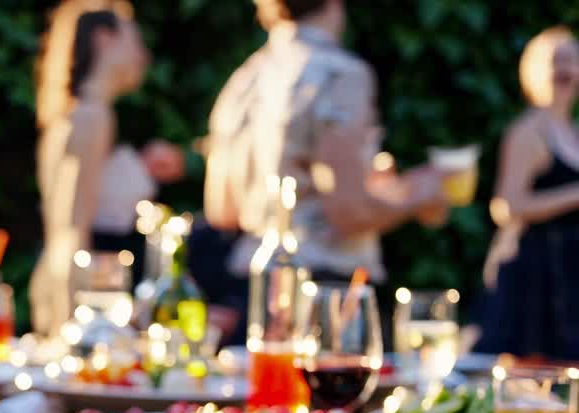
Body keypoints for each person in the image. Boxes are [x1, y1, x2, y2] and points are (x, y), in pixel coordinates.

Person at [204, 0, 448, 289]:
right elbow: (349, 212)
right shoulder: (339, 74)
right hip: (320, 290)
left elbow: (222, 210)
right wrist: (421, 193)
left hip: (252, 282)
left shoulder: (245, 79)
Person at [30, 0, 185, 337]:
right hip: (91, 301)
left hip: (89, 295)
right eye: (135, 41)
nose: (142, 56)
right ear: (104, 38)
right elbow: (72, 231)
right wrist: (71, 325)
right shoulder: (91, 118)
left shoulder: (80, 115)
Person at [477, 27, 579, 359]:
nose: (563, 69)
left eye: (570, 59)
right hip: (533, 277)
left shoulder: (574, 133)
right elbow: (506, 206)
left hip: (570, 274)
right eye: (554, 60)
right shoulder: (527, 132)